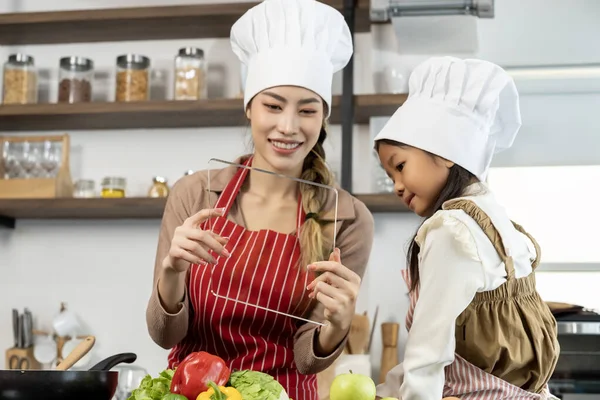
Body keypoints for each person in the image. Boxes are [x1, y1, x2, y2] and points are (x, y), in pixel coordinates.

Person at [145, 1, 375, 399]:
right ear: (249, 106)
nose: (288, 126)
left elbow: (307, 359)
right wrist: (171, 273)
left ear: (323, 119)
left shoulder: (347, 218)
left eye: (307, 110)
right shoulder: (195, 193)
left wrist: (338, 324)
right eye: (272, 105)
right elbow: (166, 336)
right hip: (192, 393)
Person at [373, 56, 560, 400]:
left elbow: (428, 354)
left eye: (400, 165)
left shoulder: (450, 231)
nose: (397, 185)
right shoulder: (499, 222)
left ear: (445, 150)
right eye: (390, 177)